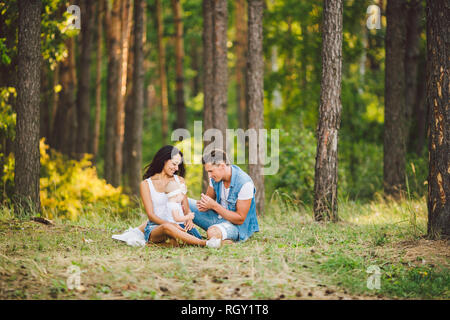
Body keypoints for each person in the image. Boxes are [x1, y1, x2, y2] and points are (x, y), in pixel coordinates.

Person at [136, 145, 206, 246]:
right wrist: (171, 224)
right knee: (167, 228)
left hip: (180, 225)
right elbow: (151, 215)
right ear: (164, 160)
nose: (176, 168)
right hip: (156, 228)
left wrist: (189, 219)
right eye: (174, 164)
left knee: (176, 241)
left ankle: (169, 244)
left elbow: (186, 208)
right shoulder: (146, 184)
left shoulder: (180, 180)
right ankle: (204, 243)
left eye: (178, 165)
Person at [188, 149, 260, 248]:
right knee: (184, 203)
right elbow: (208, 200)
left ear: (222, 166)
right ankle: (185, 234)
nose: (209, 175)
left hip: (236, 226)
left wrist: (214, 205)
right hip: (217, 218)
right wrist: (201, 206)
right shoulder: (215, 177)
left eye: (211, 171)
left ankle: (222, 241)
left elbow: (240, 219)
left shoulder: (244, 183)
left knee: (212, 233)